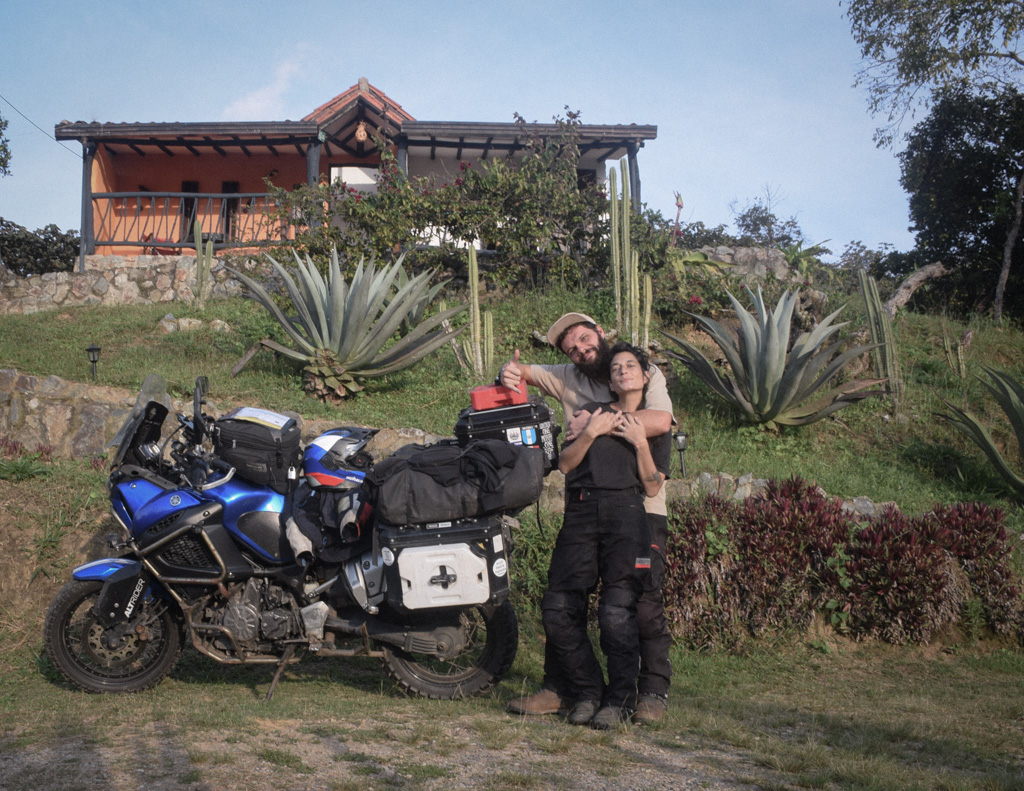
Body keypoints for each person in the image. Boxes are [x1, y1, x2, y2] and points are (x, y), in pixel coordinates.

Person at [502, 313, 675, 725]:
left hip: (641, 505)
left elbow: (661, 422)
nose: (581, 349)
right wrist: (510, 372)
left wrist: (597, 424)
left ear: (600, 332)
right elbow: (523, 371)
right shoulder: (569, 376)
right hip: (585, 501)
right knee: (564, 599)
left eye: (584, 338)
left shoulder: (640, 370)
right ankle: (562, 687)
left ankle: (650, 691)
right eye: (571, 348)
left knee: (639, 604)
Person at [542, 342, 671, 728]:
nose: (622, 371)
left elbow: (651, 486)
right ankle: (586, 691)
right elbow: (564, 464)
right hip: (581, 513)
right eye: (615, 367)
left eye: (631, 366)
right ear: (610, 381)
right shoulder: (590, 414)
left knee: (617, 612)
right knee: (558, 609)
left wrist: (638, 443)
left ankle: (619, 701)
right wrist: (591, 431)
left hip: (627, 514)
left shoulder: (656, 424)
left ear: (645, 377)